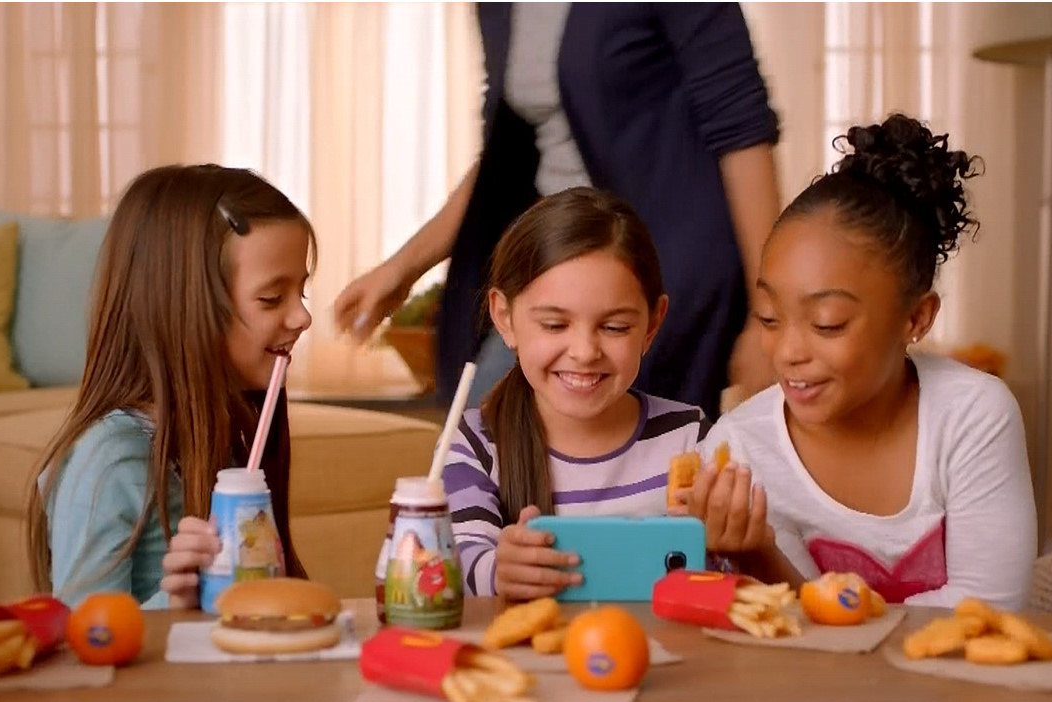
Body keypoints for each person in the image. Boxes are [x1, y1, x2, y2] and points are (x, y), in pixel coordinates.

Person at [333, 3, 782, 419]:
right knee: (483, 434)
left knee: (645, 452)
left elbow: (742, 133)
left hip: (664, 273)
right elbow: (505, 156)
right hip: (556, 263)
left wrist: (769, 314)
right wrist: (402, 268)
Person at [688, 114, 1038, 610]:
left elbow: (989, 607)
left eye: (827, 323)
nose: (787, 352)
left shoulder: (972, 416)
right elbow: (800, 630)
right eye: (769, 318)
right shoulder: (740, 451)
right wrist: (757, 555)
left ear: (915, 318)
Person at [26, 164, 315, 608]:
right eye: (272, 298)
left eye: (302, 293)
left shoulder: (225, 438)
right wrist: (176, 603)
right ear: (183, 308)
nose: (302, 317)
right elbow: (84, 637)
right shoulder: (109, 462)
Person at [444, 187, 739, 602]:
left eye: (614, 327)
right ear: (505, 318)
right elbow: (449, 565)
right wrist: (499, 571)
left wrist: (725, 548)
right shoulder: (474, 443)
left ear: (652, 325)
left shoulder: (691, 438)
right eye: (554, 325)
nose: (584, 352)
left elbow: (724, 582)